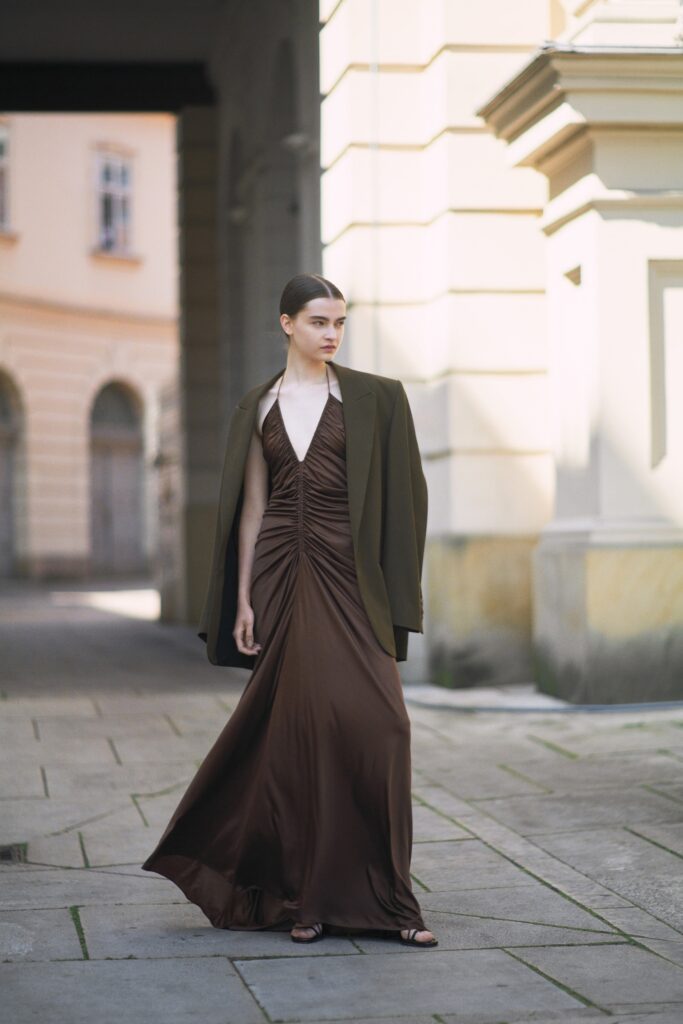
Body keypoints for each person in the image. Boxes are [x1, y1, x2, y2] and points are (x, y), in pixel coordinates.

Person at [142, 272, 437, 948]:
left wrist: (398, 596)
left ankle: (390, 899)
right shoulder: (258, 406)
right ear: (286, 324)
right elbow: (252, 508)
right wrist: (243, 597)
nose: (331, 333)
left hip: (350, 573)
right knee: (301, 737)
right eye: (317, 321)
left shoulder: (377, 398)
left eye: (339, 322)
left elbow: (406, 499)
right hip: (281, 572)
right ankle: (304, 897)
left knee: (381, 726)